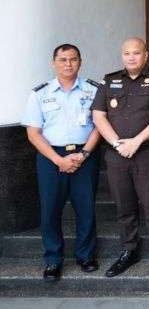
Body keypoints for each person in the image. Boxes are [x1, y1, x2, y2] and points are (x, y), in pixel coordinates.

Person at [21, 44, 101, 282]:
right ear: (53, 62)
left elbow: (99, 125)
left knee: (86, 208)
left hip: (85, 154)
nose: (68, 64)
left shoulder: (94, 91)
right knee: (50, 210)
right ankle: (53, 260)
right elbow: (33, 133)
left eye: (73, 59)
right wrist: (58, 160)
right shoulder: (40, 93)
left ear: (80, 62)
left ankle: (86, 256)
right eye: (63, 59)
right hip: (51, 157)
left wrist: (83, 154)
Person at [91, 37, 149, 277]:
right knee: (124, 205)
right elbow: (99, 115)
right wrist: (117, 143)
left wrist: (136, 142)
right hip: (117, 154)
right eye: (127, 53)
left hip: (148, 152)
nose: (131, 57)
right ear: (122, 55)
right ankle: (129, 250)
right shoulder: (109, 81)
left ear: (146, 55)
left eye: (136, 53)